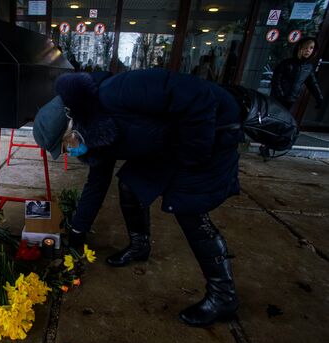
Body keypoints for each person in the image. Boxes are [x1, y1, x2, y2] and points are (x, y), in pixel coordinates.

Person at [32, 69, 243, 328]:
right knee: (131, 185)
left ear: (71, 122)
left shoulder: (120, 91)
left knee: (188, 205)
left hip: (211, 128)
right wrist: (77, 230)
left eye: (65, 145)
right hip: (168, 140)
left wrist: (190, 156)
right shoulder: (95, 131)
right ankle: (139, 245)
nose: (69, 152)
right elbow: (97, 184)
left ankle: (223, 296)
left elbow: (196, 95)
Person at [270, 36, 324, 110]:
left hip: (291, 100)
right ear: (300, 47)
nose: (308, 50)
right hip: (276, 99)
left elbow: (313, 84)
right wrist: (280, 95)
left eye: (311, 48)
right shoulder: (287, 63)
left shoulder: (308, 68)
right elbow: (275, 80)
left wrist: (319, 98)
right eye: (306, 47)